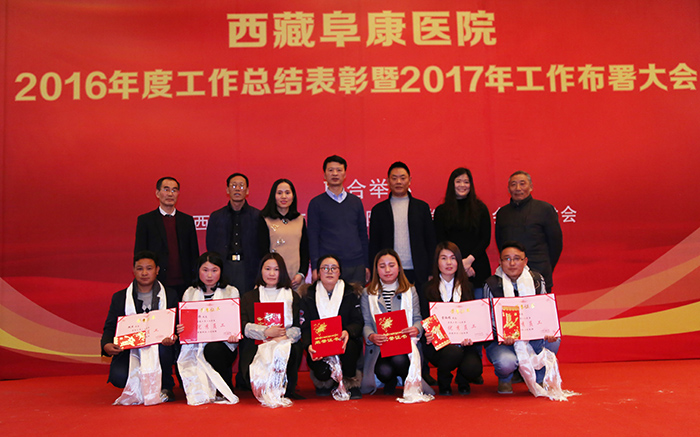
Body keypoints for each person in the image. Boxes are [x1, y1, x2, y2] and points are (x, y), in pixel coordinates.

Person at [101, 250, 178, 404]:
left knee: (163, 350)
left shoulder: (170, 295)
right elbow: (110, 326)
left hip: (160, 348)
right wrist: (106, 345)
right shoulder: (120, 297)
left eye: (149, 268)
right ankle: (141, 386)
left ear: (157, 270)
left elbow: (176, 325)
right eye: (139, 268)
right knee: (119, 377)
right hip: (130, 350)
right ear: (133, 270)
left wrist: (173, 336)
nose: (144, 273)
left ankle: (164, 384)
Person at [483, 241, 560, 394]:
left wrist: (548, 329)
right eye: (507, 259)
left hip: (532, 336)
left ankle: (539, 378)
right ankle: (505, 378)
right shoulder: (491, 284)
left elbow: (544, 310)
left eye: (517, 259)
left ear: (525, 261)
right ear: (500, 262)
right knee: (505, 362)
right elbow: (488, 318)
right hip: (503, 341)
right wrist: (502, 335)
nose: (512, 263)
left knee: (554, 340)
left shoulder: (537, 280)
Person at [360, 249, 434, 396]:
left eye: (391, 265)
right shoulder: (367, 293)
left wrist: (416, 329)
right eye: (382, 266)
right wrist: (371, 336)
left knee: (399, 359)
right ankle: (392, 380)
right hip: (380, 347)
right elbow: (367, 323)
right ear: (376, 270)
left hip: (406, 345)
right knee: (384, 371)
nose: (387, 270)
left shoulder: (410, 290)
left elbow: (418, 319)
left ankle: (406, 379)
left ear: (399, 268)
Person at [176, 252, 240, 405]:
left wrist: (234, 334)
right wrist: (182, 328)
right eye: (205, 270)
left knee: (213, 350)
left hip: (224, 344)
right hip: (195, 344)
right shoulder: (190, 292)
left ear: (221, 271)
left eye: (214, 270)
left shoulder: (231, 291)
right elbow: (186, 321)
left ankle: (225, 387)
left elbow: (234, 320)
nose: (209, 275)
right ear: (198, 270)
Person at [238, 253, 303, 400]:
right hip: (257, 344)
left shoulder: (292, 296)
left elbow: (298, 327)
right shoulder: (249, 297)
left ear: (282, 272)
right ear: (261, 271)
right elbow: (243, 325)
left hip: (284, 342)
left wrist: (283, 336)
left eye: (276, 269)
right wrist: (266, 332)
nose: (272, 273)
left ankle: (285, 387)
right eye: (268, 269)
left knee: (293, 348)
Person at [423, 242, 483, 395]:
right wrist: (427, 333)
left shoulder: (468, 287)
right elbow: (425, 317)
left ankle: (463, 380)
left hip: (464, 342)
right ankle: (444, 381)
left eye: (453, 258)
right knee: (452, 353)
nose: (449, 263)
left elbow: (473, 318)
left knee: (474, 368)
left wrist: (471, 335)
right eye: (443, 258)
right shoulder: (427, 288)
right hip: (437, 345)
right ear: (437, 262)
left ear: (458, 261)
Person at [300, 255, 363, 399]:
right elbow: (304, 326)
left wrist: (348, 331)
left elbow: (358, 322)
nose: (329, 271)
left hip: (344, 343)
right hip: (319, 346)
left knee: (351, 347)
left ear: (340, 272)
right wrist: (309, 345)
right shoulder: (308, 295)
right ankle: (325, 382)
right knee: (322, 373)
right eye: (325, 268)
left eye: (334, 268)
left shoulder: (351, 293)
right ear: (318, 272)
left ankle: (350, 382)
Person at [495, 171, 563, 292]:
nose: (518, 188)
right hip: (510, 275)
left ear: (531, 187)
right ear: (508, 189)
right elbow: (500, 242)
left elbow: (555, 244)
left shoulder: (545, 209)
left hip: (539, 271)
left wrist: (546, 266)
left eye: (522, 184)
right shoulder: (503, 213)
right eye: (513, 184)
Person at [307, 155, 369, 286]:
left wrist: (367, 264)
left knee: (356, 299)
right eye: (330, 170)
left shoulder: (356, 202)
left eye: (339, 170)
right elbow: (313, 237)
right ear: (325, 175)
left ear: (345, 174)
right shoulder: (316, 203)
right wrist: (315, 267)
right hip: (328, 267)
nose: (335, 173)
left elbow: (363, 235)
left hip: (355, 265)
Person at [134, 176, 199, 298]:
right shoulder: (146, 220)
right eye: (166, 189)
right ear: (157, 193)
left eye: (174, 190)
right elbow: (140, 253)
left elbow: (193, 253)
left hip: (185, 282)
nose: (170, 194)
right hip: (157, 282)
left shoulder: (187, 220)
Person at [433, 168, 491, 298]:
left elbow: (485, 239)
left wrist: (469, 261)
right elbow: (441, 241)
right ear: (452, 184)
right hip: (451, 269)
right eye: (458, 181)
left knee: (479, 307)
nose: (462, 185)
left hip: (477, 267)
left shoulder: (481, 208)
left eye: (466, 182)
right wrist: (459, 264)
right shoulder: (441, 211)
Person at [207, 173, 261, 295]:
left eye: (241, 186)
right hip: (224, 267)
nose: (237, 189)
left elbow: (261, 246)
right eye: (233, 185)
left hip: (248, 268)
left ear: (247, 190)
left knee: (247, 301)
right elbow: (210, 245)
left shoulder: (257, 216)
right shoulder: (216, 216)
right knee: (225, 301)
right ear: (227, 190)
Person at [258, 178, 309, 291]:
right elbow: (262, 251)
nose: (284, 197)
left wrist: (301, 274)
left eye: (287, 193)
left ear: (293, 196)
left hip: (295, 278)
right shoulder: (265, 219)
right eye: (279, 193)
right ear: (273, 196)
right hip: (272, 277)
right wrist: (271, 273)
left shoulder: (300, 220)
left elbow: (304, 250)